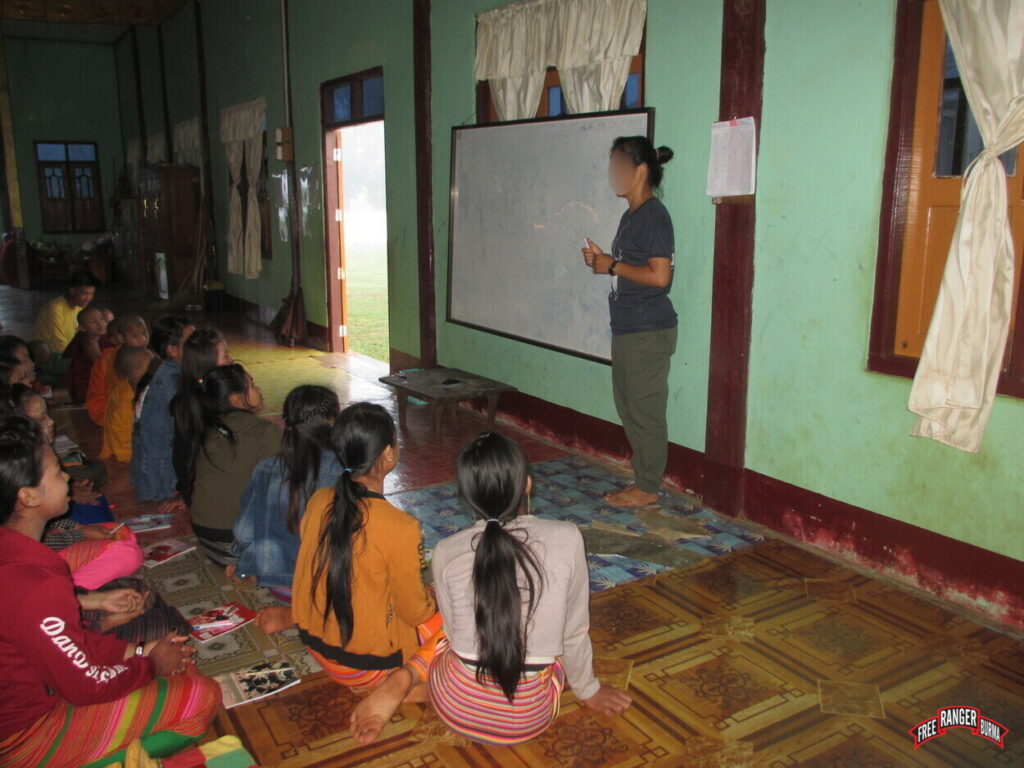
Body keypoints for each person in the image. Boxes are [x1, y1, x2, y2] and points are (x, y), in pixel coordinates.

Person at [0, 416, 220, 767]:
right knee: (202, 694)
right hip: (22, 736)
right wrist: (150, 664)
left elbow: (54, 641)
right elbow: (86, 686)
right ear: (27, 496)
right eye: (57, 472)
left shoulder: (17, 551)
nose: (67, 477)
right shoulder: (35, 585)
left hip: (37, 687)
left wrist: (135, 648)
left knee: (167, 655)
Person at [419, 432, 632, 747]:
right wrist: (588, 689)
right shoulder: (567, 537)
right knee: (554, 652)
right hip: (527, 720)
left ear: (465, 495)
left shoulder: (446, 550)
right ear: (528, 485)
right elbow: (573, 632)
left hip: (455, 709)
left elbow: (452, 635)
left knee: (432, 632)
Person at [290, 402, 442, 744]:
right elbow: (414, 611)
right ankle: (404, 686)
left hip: (318, 648)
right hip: (367, 665)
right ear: (388, 455)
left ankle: (404, 685)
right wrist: (432, 601)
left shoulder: (319, 500)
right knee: (463, 615)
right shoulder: (401, 527)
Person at [582, 136, 677, 507]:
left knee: (645, 409)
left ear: (640, 171)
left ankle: (648, 488)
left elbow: (659, 276)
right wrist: (604, 263)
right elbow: (631, 268)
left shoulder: (653, 215)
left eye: (619, 166)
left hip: (648, 329)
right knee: (629, 406)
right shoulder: (631, 216)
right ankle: (644, 480)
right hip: (629, 327)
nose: (613, 175)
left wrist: (614, 265)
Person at [231, 385, 342, 601]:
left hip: (281, 587)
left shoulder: (266, 468)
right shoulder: (344, 471)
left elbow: (243, 531)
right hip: (327, 589)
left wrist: (246, 562)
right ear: (331, 422)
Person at [178, 364, 279, 565]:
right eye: (252, 385)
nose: (258, 390)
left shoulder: (206, 426)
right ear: (236, 398)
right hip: (240, 544)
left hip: (209, 541)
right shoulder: (264, 431)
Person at [131, 316, 195, 503]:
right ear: (173, 350)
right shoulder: (169, 382)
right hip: (163, 474)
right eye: (191, 342)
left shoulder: (172, 372)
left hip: (160, 466)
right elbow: (163, 441)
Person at [171, 328, 232, 498]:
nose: (231, 360)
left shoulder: (188, 395)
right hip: (207, 489)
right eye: (225, 356)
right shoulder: (206, 404)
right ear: (208, 364)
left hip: (196, 487)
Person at [33, 270, 98, 384]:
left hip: (68, 354)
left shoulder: (79, 309)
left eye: (91, 294)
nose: (88, 298)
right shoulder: (56, 308)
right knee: (91, 368)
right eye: (84, 293)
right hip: (50, 357)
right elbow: (60, 346)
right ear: (72, 290)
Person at [100, 345, 155, 463]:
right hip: (125, 450)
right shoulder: (125, 400)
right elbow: (121, 432)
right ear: (134, 373)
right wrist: (131, 456)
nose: (154, 371)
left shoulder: (133, 387)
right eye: (149, 368)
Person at [62, 306, 112, 403]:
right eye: (93, 322)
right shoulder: (89, 341)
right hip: (88, 385)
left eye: (101, 319)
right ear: (83, 328)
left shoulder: (104, 338)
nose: (100, 324)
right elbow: (101, 366)